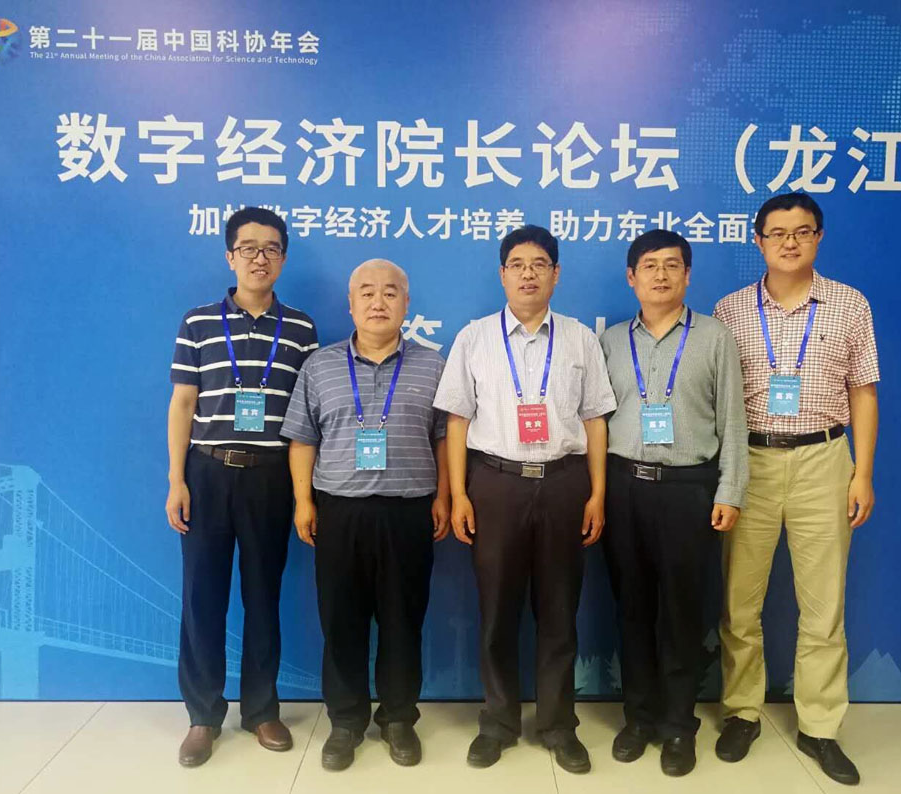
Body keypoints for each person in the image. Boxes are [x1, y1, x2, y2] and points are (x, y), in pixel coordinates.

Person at [433, 225, 616, 774]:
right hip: (496, 483)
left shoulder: (579, 339)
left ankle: (558, 726)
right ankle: (498, 723)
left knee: (559, 609)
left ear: (556, 274)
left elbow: (595, 420)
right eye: (517, 264)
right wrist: (459, 494)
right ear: (502, 274)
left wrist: (597, 493)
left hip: (564, 483)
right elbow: (456, 421)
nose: (528, 273)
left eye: (540, 264)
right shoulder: (475, 338)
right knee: (496, 610)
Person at [713, 193, 879, 787]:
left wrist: (862, 472)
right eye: (777, 233)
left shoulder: (849, 304)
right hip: (750, 462)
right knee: (740, 601)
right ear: (757, 240)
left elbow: (864, 390)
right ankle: (742, 712)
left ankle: (820, 725)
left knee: (823, 603)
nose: (789, 242)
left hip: (824, 459)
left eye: (802, 232)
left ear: (818, 238)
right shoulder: (730, 309)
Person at [281, 260, 450, 771]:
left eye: (391, 293)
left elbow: (445, 439)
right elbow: (302, 439)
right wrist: (303, 501)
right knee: (341, 622)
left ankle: (398, 718)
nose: (379, 302)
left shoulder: (433, 366)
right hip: (339, 513)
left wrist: (444, 496)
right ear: (350, 304)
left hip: (408, 513)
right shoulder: (319, 366)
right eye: (368, 293)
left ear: (406, 304)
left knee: (403, 622)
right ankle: (346, 721)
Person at [165, 207, 318, 767]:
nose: (260, 257)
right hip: (206, 472)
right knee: (202, 598)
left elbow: (307, 417)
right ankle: (203, 716)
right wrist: (176, 479)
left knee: (263, 596)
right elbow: (183, 402)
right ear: (230, 256)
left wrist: (304, 492)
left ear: (283, 258)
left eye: (271, 248)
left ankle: (260, 709)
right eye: (249, 248)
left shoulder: (301, 328)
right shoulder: (198, 322)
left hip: (270, 475)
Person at [599, 229, 748, 776]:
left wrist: (730, 490)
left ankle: (679, 725)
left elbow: (733, 419)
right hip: (624, 487)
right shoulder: (610, 342)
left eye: (671, 265)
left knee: (683, 613)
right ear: (631, 277)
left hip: (689, 489)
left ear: (687, 275)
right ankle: (638, 719)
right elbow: (595, 422)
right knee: (632, 608)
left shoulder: (714, 337)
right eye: (649, 265)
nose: (660, 274)